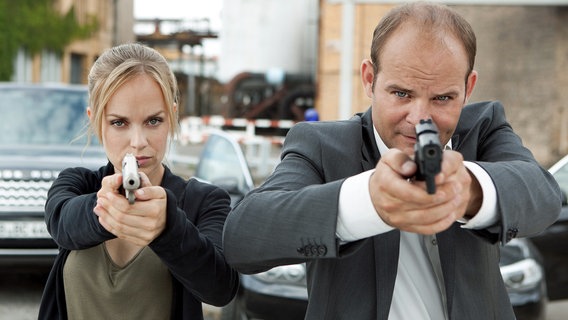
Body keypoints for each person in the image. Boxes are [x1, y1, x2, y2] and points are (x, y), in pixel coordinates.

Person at [223, 2, 562, 319]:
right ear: (370, 79)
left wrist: (470, 191)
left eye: (443, 97)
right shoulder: (321, 145)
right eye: (401, 93)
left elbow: (543, 196)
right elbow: (243, 238)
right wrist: (367, 202)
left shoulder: (484, 127)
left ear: (468, 88)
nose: (419, 118)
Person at [39, 43, 238, 319]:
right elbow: (62, 223)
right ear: (96, 121)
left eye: (153, 121)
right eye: (119, 123)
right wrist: (105, 209)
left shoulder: (204, 201)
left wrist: (167, 227)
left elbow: (220, 288)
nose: (138, 142)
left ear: (172, 116)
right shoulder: (76, 185)